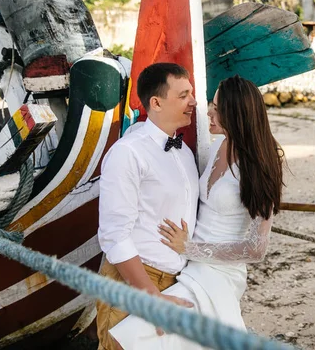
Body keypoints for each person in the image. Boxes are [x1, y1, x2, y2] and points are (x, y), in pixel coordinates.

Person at [110, 75, 285, 349]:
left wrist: (190, 248)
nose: (208, 111)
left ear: (236, 112)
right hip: (188, 266)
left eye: (217, 107)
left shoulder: (261, 163)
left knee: (136, 337)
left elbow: (256, 249)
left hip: (217, 274)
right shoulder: (216, 147)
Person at [96, 63, 200, 350]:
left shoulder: (184, 152)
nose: (193, 101)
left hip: (177, 281)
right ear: (155, 103)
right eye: (183, 96)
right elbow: (114, 236)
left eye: (190, 93)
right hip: (132, 284)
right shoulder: (127, 153)